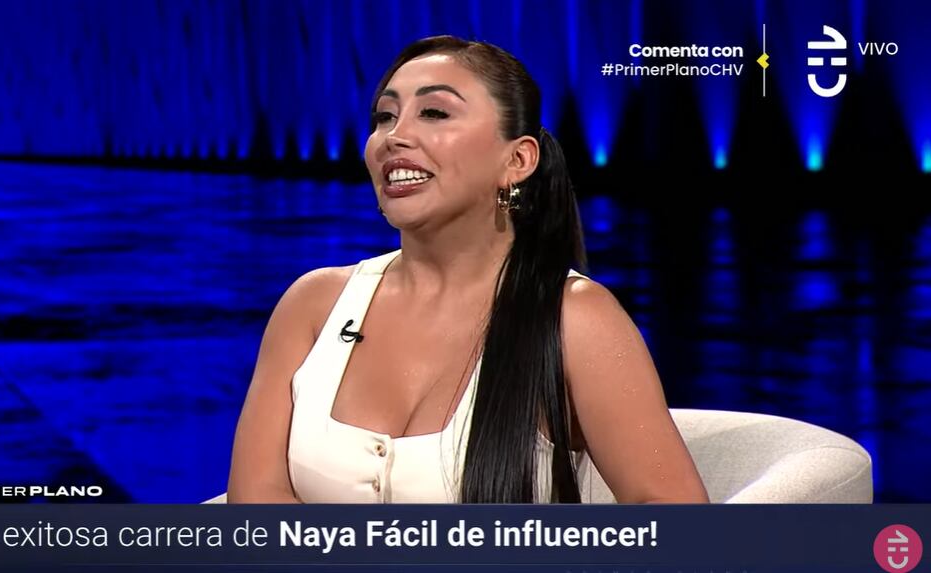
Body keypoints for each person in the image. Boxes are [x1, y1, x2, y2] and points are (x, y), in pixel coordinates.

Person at [227, 35, 708, 504]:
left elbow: (675, 517)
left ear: (517, 159)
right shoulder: (314, 305)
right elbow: (255, 500)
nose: (394, 137)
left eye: (434, 113)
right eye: (385, 117)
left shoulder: (575, 318)